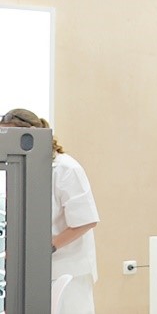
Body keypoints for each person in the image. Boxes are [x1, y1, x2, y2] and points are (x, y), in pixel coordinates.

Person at [0, 108, 100, 314]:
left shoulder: (66, 168)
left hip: (69, 269)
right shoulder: (19, 168)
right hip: (35, 269)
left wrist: (44, 248)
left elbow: (85, 221)